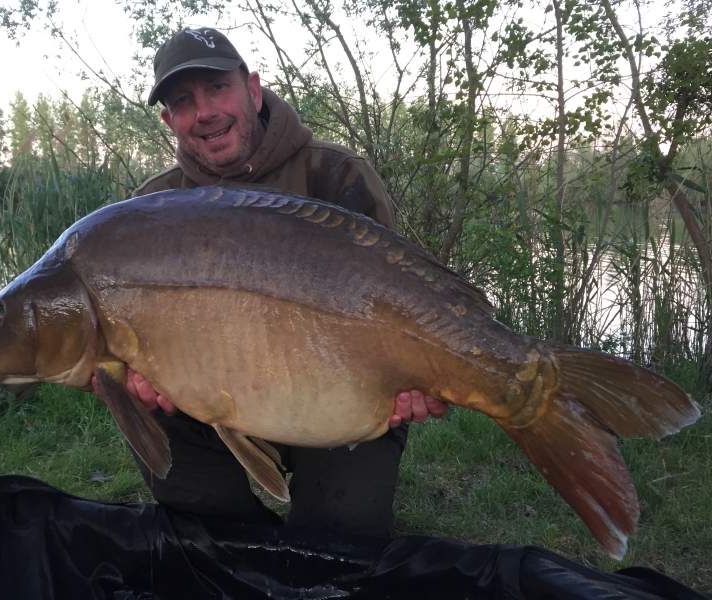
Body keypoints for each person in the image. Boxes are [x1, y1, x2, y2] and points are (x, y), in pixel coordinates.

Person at [93, 27, 447, 537]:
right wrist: (134, 378)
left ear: (253, 90)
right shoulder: (152, 209)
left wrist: (413, 376)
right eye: (184, 101)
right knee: (206, 528)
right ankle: (244, 547)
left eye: (218, 88)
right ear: (171, 121)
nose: (206, 112)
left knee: (340, 531)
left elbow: (396, 305)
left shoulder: (335, 174)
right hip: (208, 405)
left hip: (338, 398)